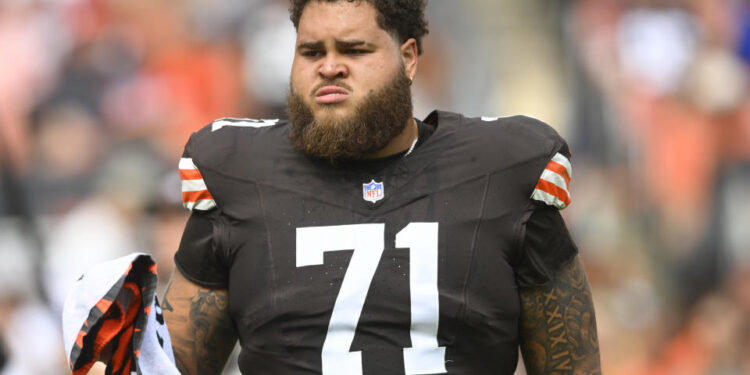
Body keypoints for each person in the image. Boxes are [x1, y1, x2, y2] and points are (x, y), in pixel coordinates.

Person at [163, 0, 602, 374]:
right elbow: (171, 366)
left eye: (354, 50)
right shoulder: (240, 173)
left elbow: (572, 364)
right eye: (311, 51)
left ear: (409, 58)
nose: (330, 67)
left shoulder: (503, 170)